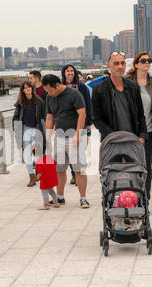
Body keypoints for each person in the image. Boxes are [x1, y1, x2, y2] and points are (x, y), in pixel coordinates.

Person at [42, 74, 89, 208]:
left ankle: (83, 198)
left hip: (75, 135)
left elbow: (82, 114)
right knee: (59, 169)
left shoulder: (74, 94)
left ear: (57, 85)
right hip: (59, 137)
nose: (49, 93)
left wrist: (79, 135)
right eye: (47, 91)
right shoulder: (49, 97)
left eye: (50, 90)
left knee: (79, 169)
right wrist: (48, 137)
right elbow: (50, 117)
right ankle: (60, 197)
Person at [126, 51, 152, 200]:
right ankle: (132, 197)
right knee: (131, 166)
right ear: (136, 64)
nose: (147, 63)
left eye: (149, 60)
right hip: (130, 132)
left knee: (147, 167)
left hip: (149, 131)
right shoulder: (126, 83)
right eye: (143, 60)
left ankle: (145, 199)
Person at [61, 65, 93, 186]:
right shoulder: (61, 86)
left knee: (80, 151)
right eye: (67, 71)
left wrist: (89, 122)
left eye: (71, 70)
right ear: (64, 73)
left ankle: (79, 173)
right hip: (66, 124)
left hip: (81, 122)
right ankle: (75, 174)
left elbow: (88, 104)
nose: (70, 72)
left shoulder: (82, 87)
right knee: (68, 151)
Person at [12, 81, 46, 187]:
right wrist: (16, 129)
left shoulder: (39, 101)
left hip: (37, 129)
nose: (27, 89)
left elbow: (45, 115)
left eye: (29, 87)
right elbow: (16, 117)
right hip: (25, 129)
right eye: (25, 88)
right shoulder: (20, 102)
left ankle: (38, 172)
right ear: (22, 90)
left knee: (38, 151)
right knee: (27, 154)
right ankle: (31, 177)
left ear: (32, 88)